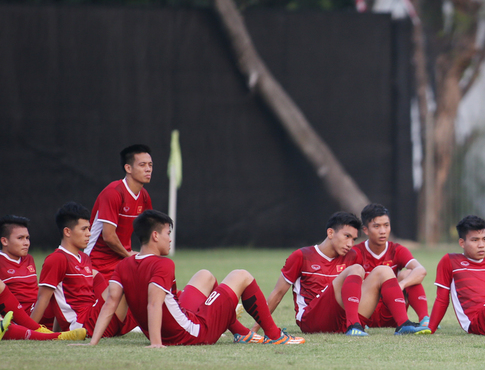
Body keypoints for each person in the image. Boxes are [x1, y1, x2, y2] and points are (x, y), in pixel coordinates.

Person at [88, 210, 303, 347]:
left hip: (176, 324)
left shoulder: (124, 264)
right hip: (192, 333)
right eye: (167, 234)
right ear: (155, 236)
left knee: (205, 275)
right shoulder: (163, 264)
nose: (170, 239)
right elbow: (154, 304)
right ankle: (275, 336)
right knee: (241, 275)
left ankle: (240, 332)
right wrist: (156, 344)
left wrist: (93, 343)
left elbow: (110, 303)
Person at [265, 211, 430, 337]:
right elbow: (278, 293)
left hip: (341, 319)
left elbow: (364, 290)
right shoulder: (301, 256)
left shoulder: (352, 256)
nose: (350, 244)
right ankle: (354, 326)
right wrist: (258, 328)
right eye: (347, 237)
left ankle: (403, 324)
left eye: (354, 239)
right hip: (312, 320)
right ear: (330, 233)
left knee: (384, 270)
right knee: (357, 269)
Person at [31, 202, 136, 338]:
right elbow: (43, 299)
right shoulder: (57, 259)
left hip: (95, 318)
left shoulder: (84, 257)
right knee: (126, 276)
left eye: (89, 229)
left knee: (145, 284)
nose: (89, 234)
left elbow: (62, 301)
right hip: (82, 325)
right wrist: (28, 332)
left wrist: (58, 332)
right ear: (67, 231)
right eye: (84, 229)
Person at [0, 215, 86, 341]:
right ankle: (49, 333)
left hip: (37, 309)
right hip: (18, 314)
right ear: (4, 241)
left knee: (66, 293)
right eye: (20, 238)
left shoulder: (28, 259)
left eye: (27, 238)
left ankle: (78, 326)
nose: (26, 243)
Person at [354, 203, 430, 328]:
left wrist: (401, 285)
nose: (382, 231)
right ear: (366, 230)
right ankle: (358, 321)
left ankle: (425, 319)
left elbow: (421, 270)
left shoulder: (397, 250)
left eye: (386, 225)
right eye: (377, 226)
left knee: (408, 273)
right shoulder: (356, 252)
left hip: (392, 314)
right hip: (366, 315)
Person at [86, 144, 154, 279]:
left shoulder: (144, 195)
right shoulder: (113, 193)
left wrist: (147, 256)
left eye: (150, 165)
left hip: (122, 261)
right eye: (142, 165)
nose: (148, 169)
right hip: (97, 263)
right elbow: (109, 236)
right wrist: (129, 255)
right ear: (128, 168)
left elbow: (150, 230)